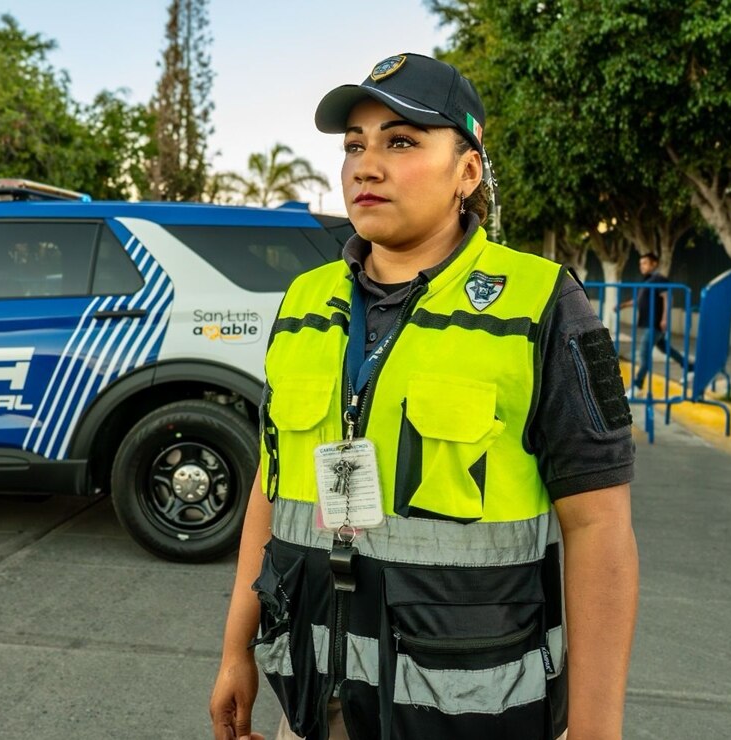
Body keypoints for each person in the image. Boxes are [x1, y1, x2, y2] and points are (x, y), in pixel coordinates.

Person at [209, 53, 638, 740]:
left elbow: (598, 528)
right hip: (317, 702)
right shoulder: (303, 302)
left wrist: (594, 729)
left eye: (400, 141)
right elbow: (272, 481)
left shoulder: (540, 305)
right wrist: (235, 650)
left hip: (470, 712)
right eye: (354, 145)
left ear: (466, 171)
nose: (365, 165)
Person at [630, 252, 693, 393]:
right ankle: (689, 367)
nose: (642, 266)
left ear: (654, 264)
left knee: (644, 353)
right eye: (641, 263)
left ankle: (637, 385)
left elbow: (667, 297)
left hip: (655, 323)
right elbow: (638, 300)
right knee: (665, 349)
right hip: (650, 323)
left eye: (645, 263)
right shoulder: (647, 280)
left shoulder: (659, 279)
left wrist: (665, 318)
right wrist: (621, 306)